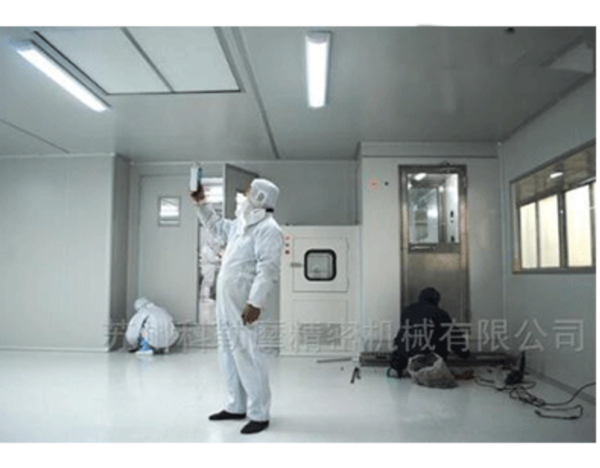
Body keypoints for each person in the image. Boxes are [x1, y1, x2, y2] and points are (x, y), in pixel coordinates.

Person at [190, 178, 284, 435]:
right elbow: (216, 227)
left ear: (261, 198)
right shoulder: (242, 224)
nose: (245, 194)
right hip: (226, 300)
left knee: (247, 353)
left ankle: (259, 413)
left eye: (250, 191)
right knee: (228, 352)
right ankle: (235, 405)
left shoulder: (268, 229)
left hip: (244, 302)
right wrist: (201, 202)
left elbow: (268, 269)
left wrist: (255, 302)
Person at [390, 287, 470, 376]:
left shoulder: (407, 311)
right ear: (437, 301)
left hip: (408, 360)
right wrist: (465, 353)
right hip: (431, 361)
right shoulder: (440, 314)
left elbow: (401, 336)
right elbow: (454, 336)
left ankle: (397, 368)